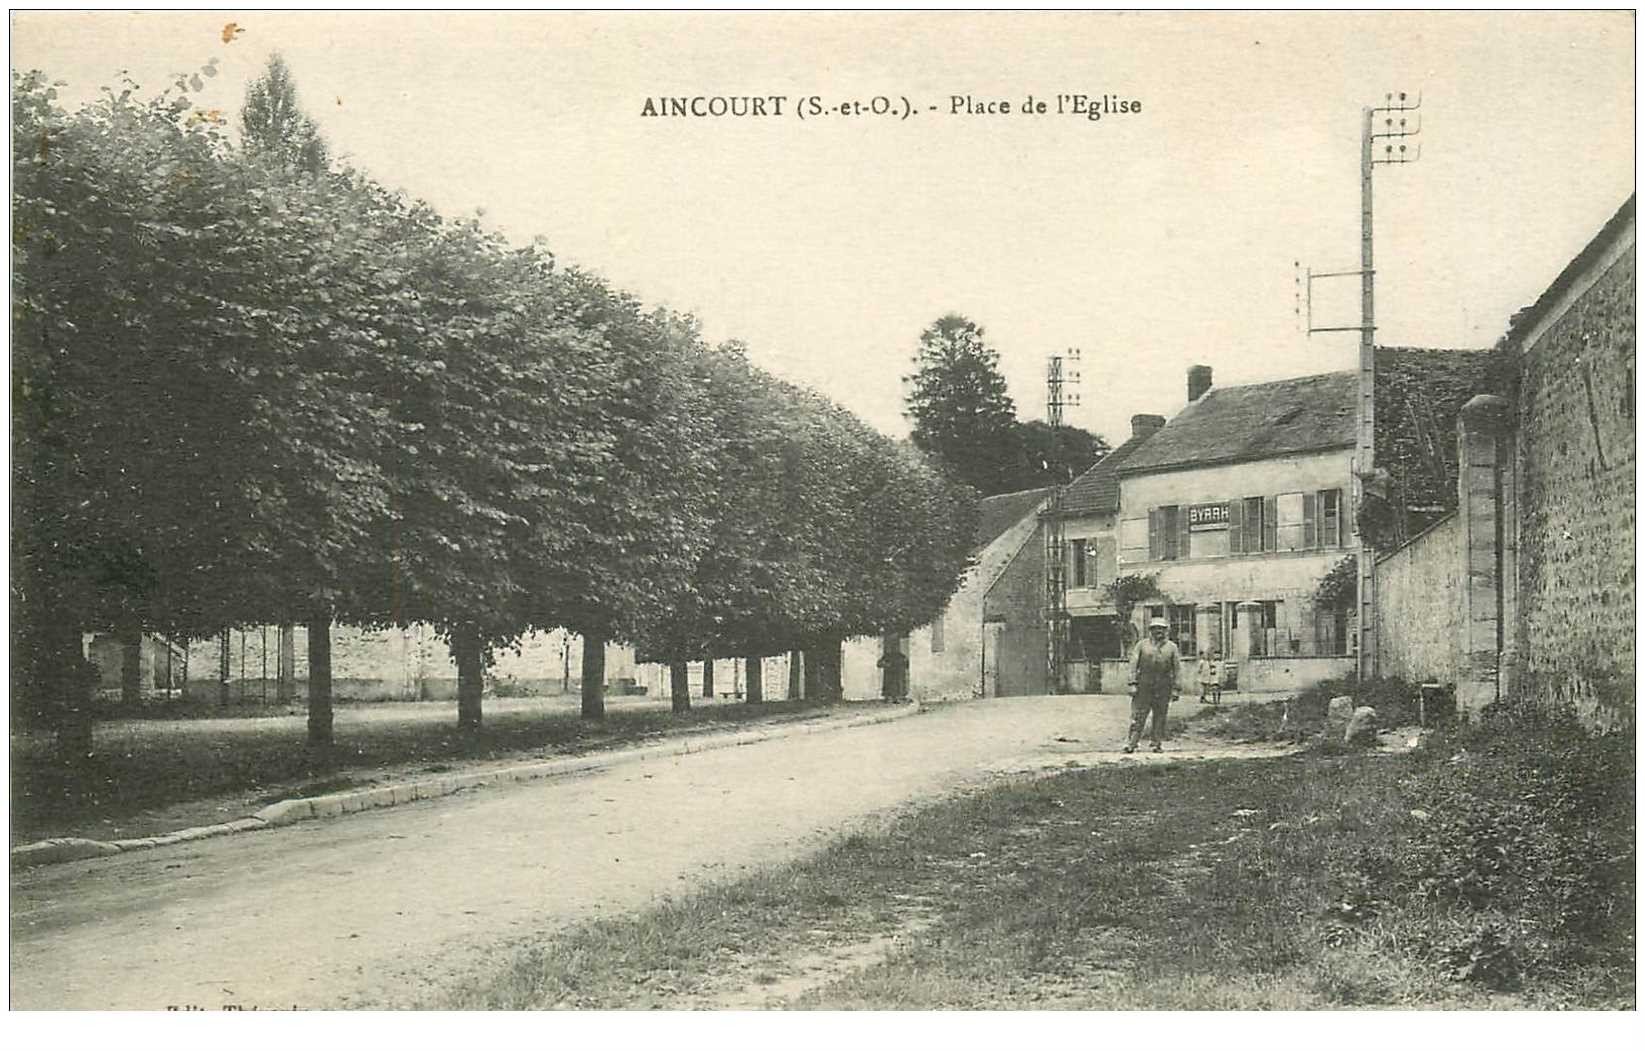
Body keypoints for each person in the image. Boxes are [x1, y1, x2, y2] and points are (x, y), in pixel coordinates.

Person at [1125, 617, 1180, 753]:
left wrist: (1176, 689)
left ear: (1166, 630)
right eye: (1155, 628)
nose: (1158, 631)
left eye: (1161, 628)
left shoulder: (1172, 647)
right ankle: (1132, 743)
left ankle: (1156, 743)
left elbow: (1177, 669)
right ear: (1150, 630)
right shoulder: (1142, 645)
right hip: (1144, 684)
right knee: (1139, 715)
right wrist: (1132, 683)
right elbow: (1133, 665)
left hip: (1163, 684)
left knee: (1160, 715)